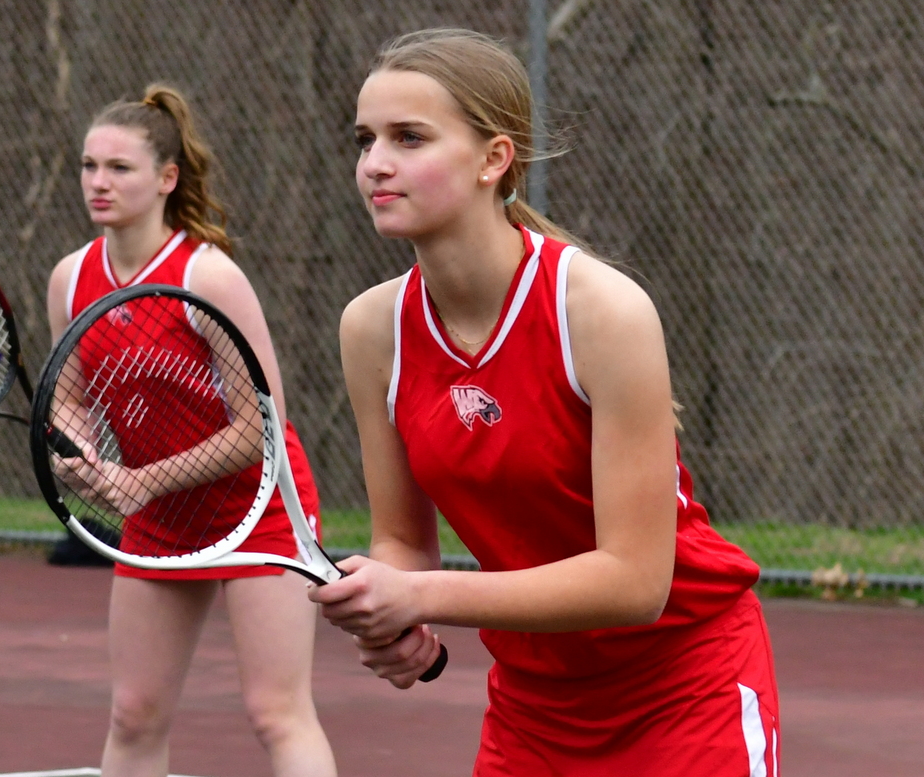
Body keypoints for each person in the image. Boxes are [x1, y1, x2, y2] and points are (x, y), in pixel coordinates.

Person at [308, 28, 779, 777]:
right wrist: (391, 614)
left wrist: (421, 593)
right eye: (366, 140)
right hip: (535, 706)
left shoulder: (601, 310)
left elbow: (635, 582)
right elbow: (400, 539)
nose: (375, 164)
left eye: (409, 137)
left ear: (494, 158)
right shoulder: (371, 329)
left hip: (686, 687)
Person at [48, 84, 336, 777]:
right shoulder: (71, 278)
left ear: (166, 179)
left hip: (260, 509)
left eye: (119, 168)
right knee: (134, 713)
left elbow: (261, 428)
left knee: (276, 712)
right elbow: (69, 401)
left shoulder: (208, 278)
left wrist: (141, 481)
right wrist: (77, 452)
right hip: (161, 519)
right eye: (89, 165)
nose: (98, 182)